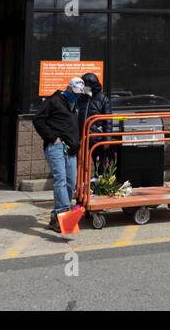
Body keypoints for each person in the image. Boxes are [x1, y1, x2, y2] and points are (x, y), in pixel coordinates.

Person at [34, 76, 83, 231]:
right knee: (60, 179)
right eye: (74, 93)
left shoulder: (74, 103)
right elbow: (38, 119)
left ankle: (57, 216)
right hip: (56, 147)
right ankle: (64, 213)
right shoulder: (54, 101)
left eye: (79, 94)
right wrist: (53, 138)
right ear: (68, 88)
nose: (77, 96)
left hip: (71, 149)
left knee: (71, 181)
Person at [76, 71, 112, 170]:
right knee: (80, 165)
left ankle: (99, 184)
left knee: (100, 165)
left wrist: (107, 139)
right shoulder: (80, 97)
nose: (84, 87)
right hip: (81, 137)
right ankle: (82, 184)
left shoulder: (103, 98)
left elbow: (108, 120)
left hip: (97, 137)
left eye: (86, 85)